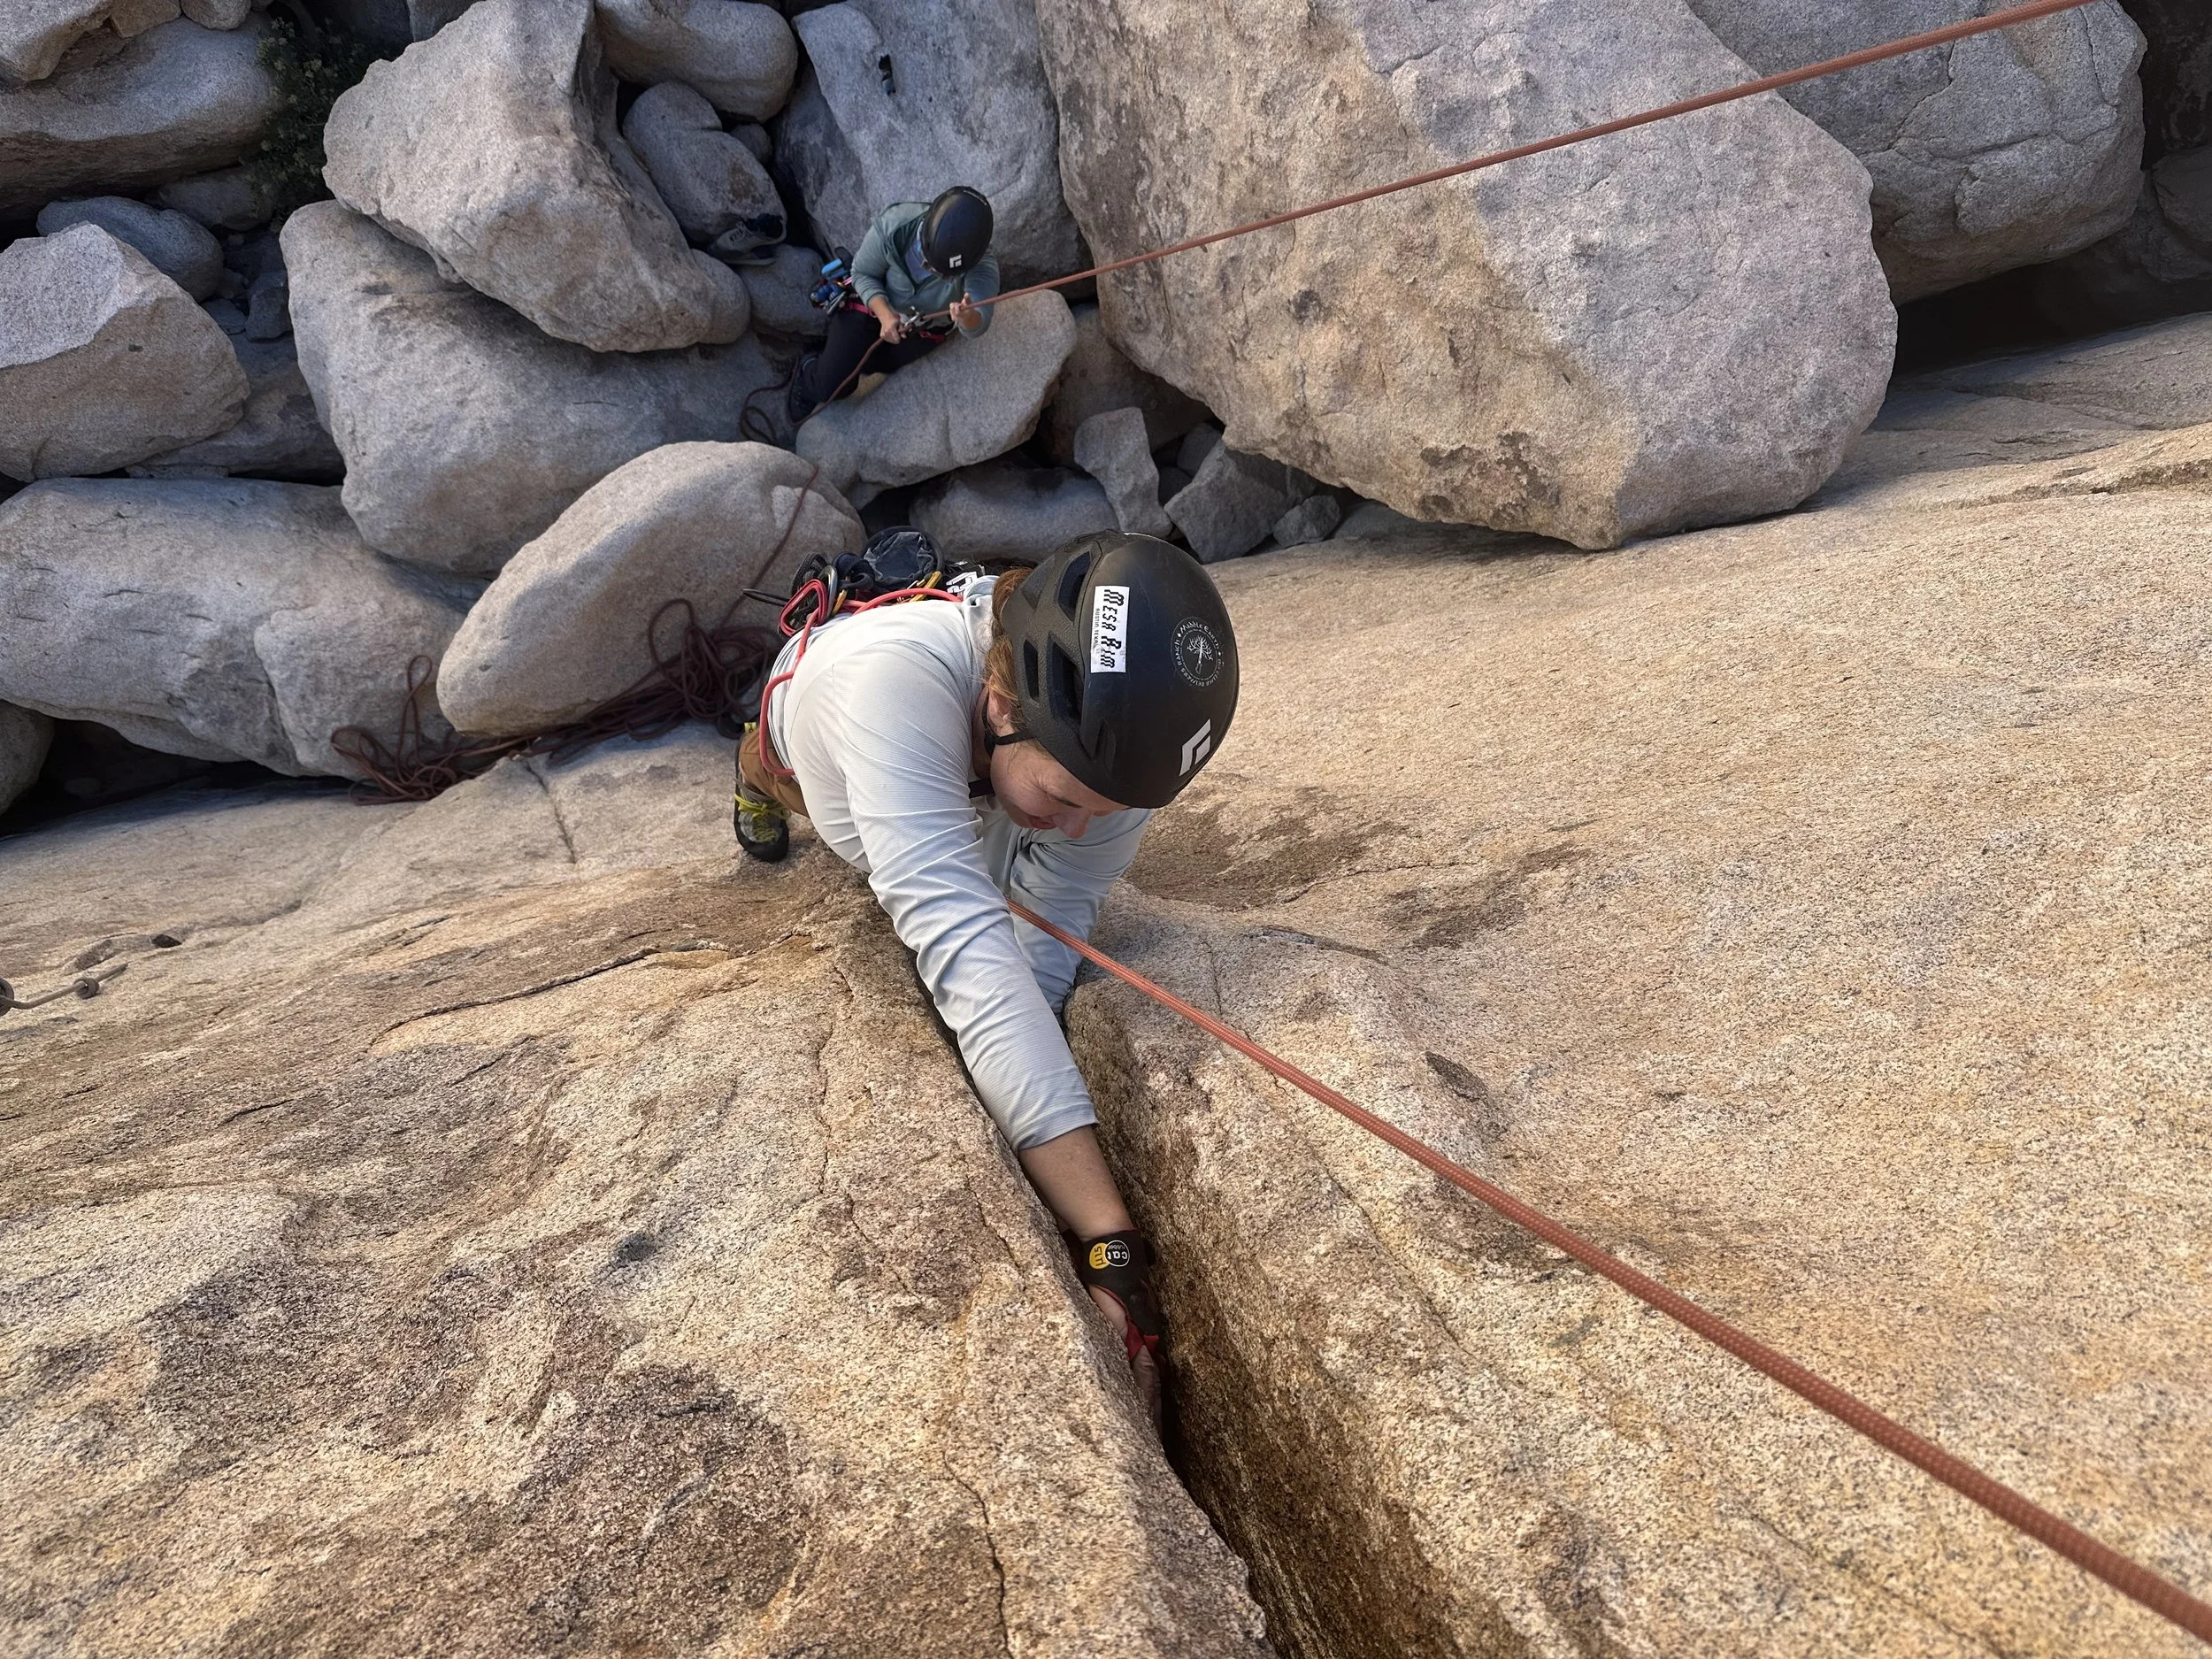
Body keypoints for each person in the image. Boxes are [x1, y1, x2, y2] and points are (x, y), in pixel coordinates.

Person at [738, 531, 1239, 1421]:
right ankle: (746, 766)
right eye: (1069, 802)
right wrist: (1106, 1239)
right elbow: (964, 942)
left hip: (970, 736)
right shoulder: (885, 687)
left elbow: (1040, 942)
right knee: (774, 768)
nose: (1084, 832)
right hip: (814, 701)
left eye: (1109, 811)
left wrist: (1025, 1096)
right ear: (1003, 697)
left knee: (1011, 839)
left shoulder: (1099, 762)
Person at [787, 185, 1000, 423]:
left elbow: (981, 317)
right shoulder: (896, 225)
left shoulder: (982, 266)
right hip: (869, 308)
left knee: (878, 364)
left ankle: (844, 358)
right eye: (929, 265)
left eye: (946, 275)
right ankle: (809, 372)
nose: (936, 275)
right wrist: (886, 315)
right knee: (833, 386)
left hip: (920, 330)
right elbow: (863, 273)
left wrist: (968, 317)